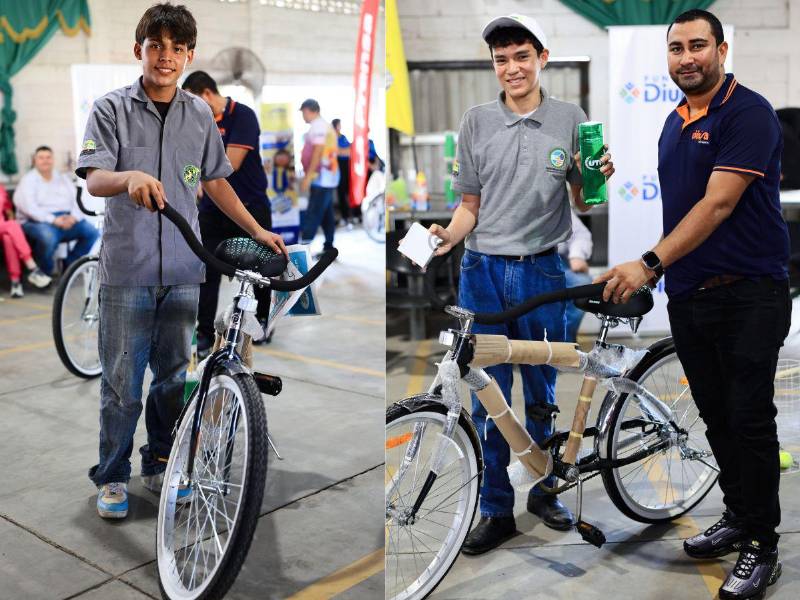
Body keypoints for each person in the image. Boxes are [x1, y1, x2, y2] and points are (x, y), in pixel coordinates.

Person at [597, 9, 786, 599]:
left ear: (721, 51)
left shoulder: (748, 112)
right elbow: (682, 210)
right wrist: (665, 274)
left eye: (697, 45)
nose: (686, 58)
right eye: (676, 48)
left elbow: (718, 205)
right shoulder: (673, 121)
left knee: (749, 419)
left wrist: (648, 263)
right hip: (690, 294)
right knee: (717, 417)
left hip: (749, 293)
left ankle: (762, 544)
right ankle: (738, 515)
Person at [75, 3, 286, 520]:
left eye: (176, 48)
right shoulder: (110, 108)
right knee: (122, 387)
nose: (165, 56)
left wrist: (257, 229)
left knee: (172, 380)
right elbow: (95, 178)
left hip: (185, 271)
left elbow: (216, 181)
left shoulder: (199, 114)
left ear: (189, 55)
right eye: (156, 46)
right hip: (128, 270)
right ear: (139, 50)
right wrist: (128, 177)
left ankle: (160, 463)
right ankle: (113, 475)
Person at [428, 15, 614, 554]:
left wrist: (596, 176)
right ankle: (494, 508)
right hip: (482, 271)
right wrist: (448, 234)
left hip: (542, 272)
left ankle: (546, 490)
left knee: (541, 390)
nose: (512, 68)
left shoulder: (571, 119)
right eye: (501, 59)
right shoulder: (476, 120)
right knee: (487, 394)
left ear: (542, 58)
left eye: (521, 56)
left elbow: (583, 202)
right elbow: (469, 206)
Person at [181, 70, 274, 352]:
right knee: (206, 271)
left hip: (249, 208)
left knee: (261, 271)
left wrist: (199, 174)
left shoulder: (243, 116)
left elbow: (229, 164)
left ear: (207, 93)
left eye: (195, 100)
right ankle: (205, 331)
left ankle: (262, 321)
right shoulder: (197, 120)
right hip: (212, 210)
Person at [14, 146, 99, 276]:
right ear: (34, 160)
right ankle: (44, 274)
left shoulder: (62, 178)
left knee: (92, 232)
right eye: (41, 158)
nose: (45, 160)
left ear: (53, 159)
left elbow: (76, 200)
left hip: (65, 219)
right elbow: (29, 208)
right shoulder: (28, 180)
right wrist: (53, 220)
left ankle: (69, 267)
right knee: (48, 237)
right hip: (35, 222)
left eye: (48, 157)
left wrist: (74, 217)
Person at [299, 98, 339, 255]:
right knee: (327, 214)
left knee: (313, 213)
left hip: (321, 178)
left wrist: (308, 177)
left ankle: (303, 250)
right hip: (326, 178)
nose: (303, 116)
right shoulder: (323, 125)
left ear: (309, 110)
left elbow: (317, 151)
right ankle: (329, 247)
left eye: (303, 112)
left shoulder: (319, 126)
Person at [0, 184, 51, 297]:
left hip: (3, 227)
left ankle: (15, 282)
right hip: (5, 226)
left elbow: (8, 210)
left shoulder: (0, 189)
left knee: (8, 238)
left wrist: (12, 230)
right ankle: (32, 267)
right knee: (13, 225)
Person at [558, 209, 593, 342]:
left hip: (556, 259)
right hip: (515, 259)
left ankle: (565, 339)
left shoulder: (554, 203)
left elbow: (580, 234)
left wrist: (577, 255)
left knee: (582, 283)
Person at [332, 118, 352, 227]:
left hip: (346, 166)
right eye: (339, 124)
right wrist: (342, 152)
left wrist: (342, 151)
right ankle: (344, 217)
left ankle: (350, 216)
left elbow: (349, 151)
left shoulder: (343, 137)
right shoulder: (332, 138)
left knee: (348, 192)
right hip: (337, 167)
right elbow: (336, 152)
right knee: (341, 193)